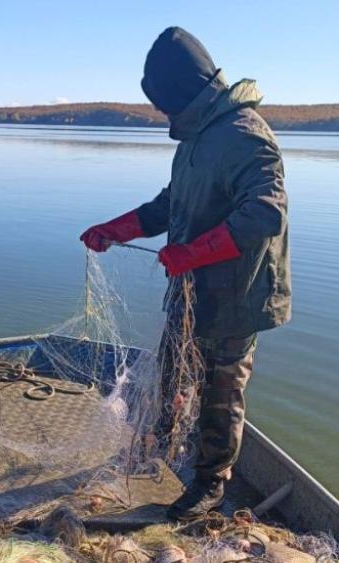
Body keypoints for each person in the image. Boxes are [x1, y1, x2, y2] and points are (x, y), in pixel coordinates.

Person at [80, 26, 291, 522]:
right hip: (190, 287)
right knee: (173, 367)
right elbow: (170, 204)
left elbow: (266, 213)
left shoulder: (246, 136)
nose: (161, 113)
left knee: (221, 391)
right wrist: (116, 229)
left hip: (234, 296)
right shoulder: (197, 138)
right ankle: (163, 445)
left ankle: (210, 484)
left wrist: (193, 253)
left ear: (183, 93)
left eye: (163, 102)